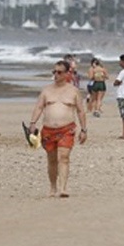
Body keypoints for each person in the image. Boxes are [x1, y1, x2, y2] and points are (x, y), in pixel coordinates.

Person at [28, 60, 87, 197]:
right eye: (54, 72)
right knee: (52, 160)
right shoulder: (46, 90)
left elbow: (80, 111)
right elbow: (39, 107)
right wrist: (32, 123)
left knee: (64, 157)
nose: (56, 74)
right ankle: (53, 187)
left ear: (67, 74)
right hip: (48, 130)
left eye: (59, 72)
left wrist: (84, 130)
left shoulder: (73, 91)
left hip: (67, 129)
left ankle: (63, 188)